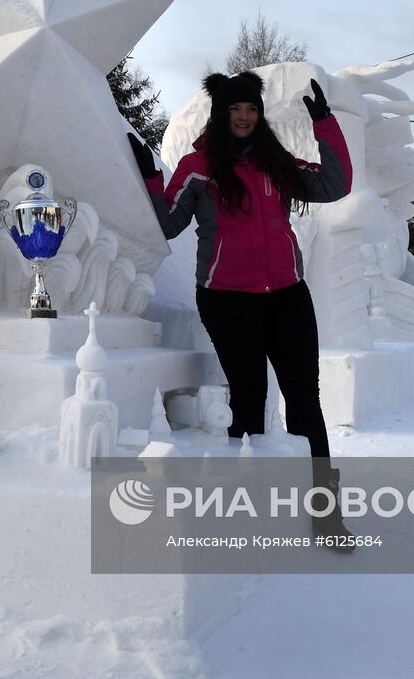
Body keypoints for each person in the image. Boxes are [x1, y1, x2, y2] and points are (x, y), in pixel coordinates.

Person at [127, 71, 351, 543]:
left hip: (288, 296)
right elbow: (168, 223)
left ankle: (325, 514)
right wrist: (149, 176)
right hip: (227, 299)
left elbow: (335, 184)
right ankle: (246, 510)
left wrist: (324, 125)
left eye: (251, 108)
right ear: (222, 114)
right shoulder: (198, 167)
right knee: (248, 402)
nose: (244, 117)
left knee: (305, 403)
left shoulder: (277, 164)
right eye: (235, 109)